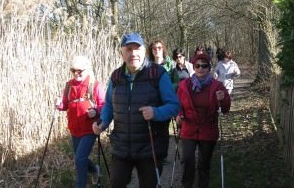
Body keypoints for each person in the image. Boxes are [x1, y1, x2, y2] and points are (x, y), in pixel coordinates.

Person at [92, 32, 180, 188]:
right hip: (122, 147)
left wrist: (156, 112)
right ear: (122, 53)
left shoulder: (157, 74)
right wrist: (103, 122)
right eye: (128, 49)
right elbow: (109, 105)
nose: (133, 53)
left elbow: (174, 106)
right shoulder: (116, 77)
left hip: (150, 147)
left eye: (137, 49)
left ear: (144, 51)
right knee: (116, 184)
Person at [176, 53, 231, 188]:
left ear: (209, 68)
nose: (201, 69)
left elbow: (225, 109)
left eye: (204, 66)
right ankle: (187, 185)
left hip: (208, 129)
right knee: (188, 160)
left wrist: (222, 99)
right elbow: (177, 104)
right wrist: (179, 114)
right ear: (193, 68)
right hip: (189, 128)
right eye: (198, 66)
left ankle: (202, 185)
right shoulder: (184, 85)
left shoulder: (217, 86)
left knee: (204, 163)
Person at [56, 56, 105, 188]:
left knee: (79, 158)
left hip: (90, 128)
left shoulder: (94, 85)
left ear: (87, 70)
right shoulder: (69, 85)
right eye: (73, 70)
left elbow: (104, 105)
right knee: (80, 158)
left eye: (80, 71)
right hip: (74, 128)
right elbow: (65, 105)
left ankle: (81, 185)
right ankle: (95, 170)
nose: (76, 73)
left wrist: (96, 111)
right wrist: (59, 105)